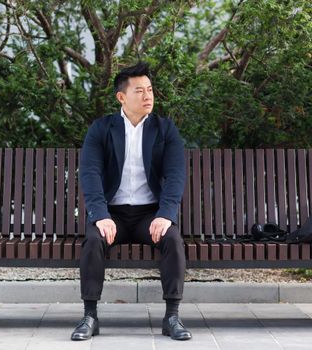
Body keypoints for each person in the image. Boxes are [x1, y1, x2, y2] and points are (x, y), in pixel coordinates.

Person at [71, 61, 191, 341]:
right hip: (112, 214)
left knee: (173, 239)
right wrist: (100, 214)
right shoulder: (102, 129)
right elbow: (89, 174)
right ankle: (90, 316)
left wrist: (166, 214)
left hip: (150, 215)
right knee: (93, 240)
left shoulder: (165, 129)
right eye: (140, 91)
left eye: (150, 89)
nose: (148, 96)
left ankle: (172, 316)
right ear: (121, 97)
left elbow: (175, 175)